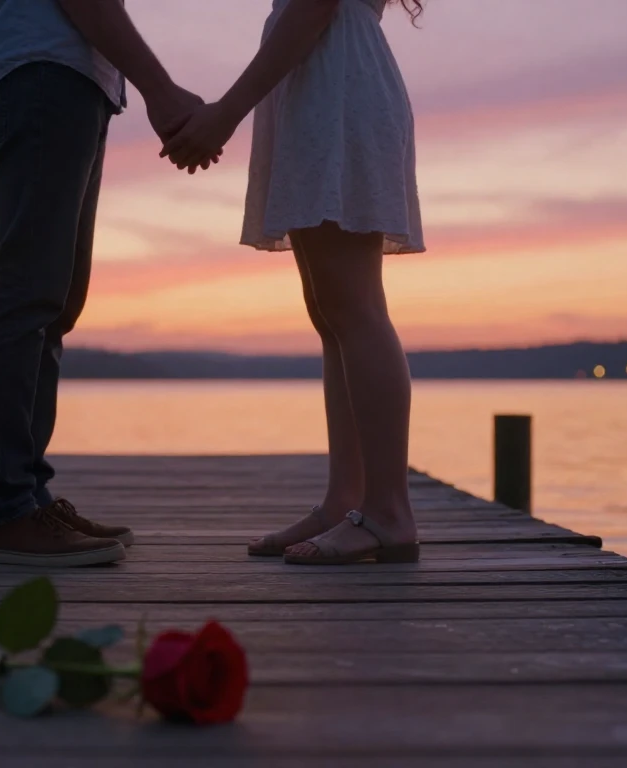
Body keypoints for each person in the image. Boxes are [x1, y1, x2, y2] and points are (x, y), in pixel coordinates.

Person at [161, 0, 426, 565]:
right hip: (322, 87)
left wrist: (225, 113)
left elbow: (313, 7)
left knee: (354, 309)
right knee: (333, 312)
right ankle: (346, 502)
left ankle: (388, 513)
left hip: (337, 88)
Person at [0, 1, 210, 566]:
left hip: (50, 74)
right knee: (26, 294)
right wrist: (159, 88)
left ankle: (25, 496)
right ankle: (0, 509)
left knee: (51, 301)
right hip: (39, 70)